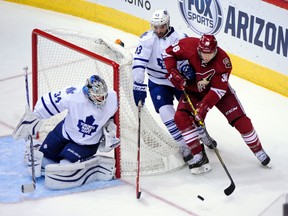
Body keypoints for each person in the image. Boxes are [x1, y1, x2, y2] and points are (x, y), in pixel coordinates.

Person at [162, 34, 271, 174]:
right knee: (180, 117)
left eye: (210, 53)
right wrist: (172, 71)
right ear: (199, 49)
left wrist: (203, 108)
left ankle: (258, 150)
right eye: (203, 53)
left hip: (220, 93)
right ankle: (198, 155)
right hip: (194, 90)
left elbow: (218, 90)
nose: (207, 57)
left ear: (216, 50)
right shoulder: (189, 45)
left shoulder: (223, 61)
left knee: (241, 121)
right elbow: (167, 53)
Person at [13, 75, 120, 189]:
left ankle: (91, 167)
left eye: (103, 96)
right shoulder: (73, 95)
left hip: (86, 143)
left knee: (65, 165)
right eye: (97, 96)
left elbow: (112, 119)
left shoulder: (112, 99)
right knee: (44, 159)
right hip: (64, 133)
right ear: (88, 93)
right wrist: (34, 116)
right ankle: (45, 150)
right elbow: (50, 100)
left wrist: (110, 133)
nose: (102, 100)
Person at [132, 9, 198, 164]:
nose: (158, 30)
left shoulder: (180, 38)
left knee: (190, 112)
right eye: (155, 26)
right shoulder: (147, 39)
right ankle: (184, 146)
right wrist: (138, 85)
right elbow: (139, 64)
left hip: (178, 80)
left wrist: (188, 69)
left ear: (168, 24)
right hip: (157, 81)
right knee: (166, 114)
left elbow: (189, 59)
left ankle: (201, 134)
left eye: (161, 26)